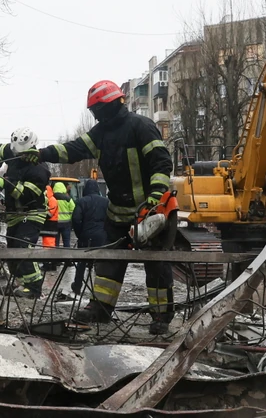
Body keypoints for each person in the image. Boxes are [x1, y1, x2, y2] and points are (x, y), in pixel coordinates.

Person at [35, 80, 176, 335]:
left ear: (107, 106)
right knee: (108, 263)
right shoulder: (100, 133)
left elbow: (161, 163)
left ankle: (161, 316)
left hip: (149, 212)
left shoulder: (140, 127)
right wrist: (42, 153)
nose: (95, 116)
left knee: (156, 266)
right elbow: (73, 150)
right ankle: (101, 308)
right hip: (118, 212)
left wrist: (155, 196)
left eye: (96, 111)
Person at [0, 127, 51, 298]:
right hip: (14, 214)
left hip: (32, 212)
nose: (19, 156)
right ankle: (19, 284)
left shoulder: (40, 169)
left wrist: (4, 183)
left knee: (24, 246)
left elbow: (26, 194)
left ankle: (34, 288)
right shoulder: (13, 151)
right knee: (12, 250)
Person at [71, 179, 109, 295]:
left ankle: (77, 286)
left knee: (81, 263)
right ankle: (100, 289)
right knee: (101, 263)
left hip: (85, 236)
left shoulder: (81, 201)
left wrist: (80, 234)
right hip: (101, 237)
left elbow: (76, 219)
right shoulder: (106, 202)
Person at [54, 182, 75, 249]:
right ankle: (67, 257)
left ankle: (55, 257)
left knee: (55, 242)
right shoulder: (68, 198)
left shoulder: (52, 198)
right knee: (66, 242)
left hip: (55, 223)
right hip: (66, 223)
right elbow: (73, 209)